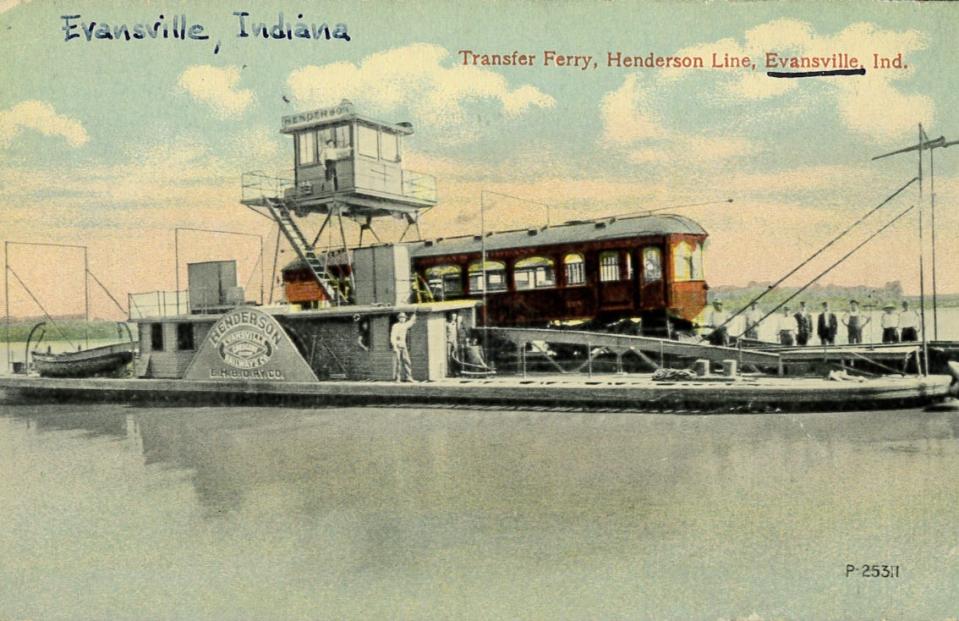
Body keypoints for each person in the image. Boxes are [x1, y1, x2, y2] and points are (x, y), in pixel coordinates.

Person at [390, 311, 417, 382]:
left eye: (404, 318)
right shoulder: (395, 326)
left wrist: (414, 314)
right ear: (398, 318)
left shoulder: (405, 325)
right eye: (401, 317)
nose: (402, 319)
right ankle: (397, 378)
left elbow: (411, 322)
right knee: (398, 362)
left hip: (403, 345)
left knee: (407, 361)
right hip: (397, 345)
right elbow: (392, 337)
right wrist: (394, 347)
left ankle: (409, 377)